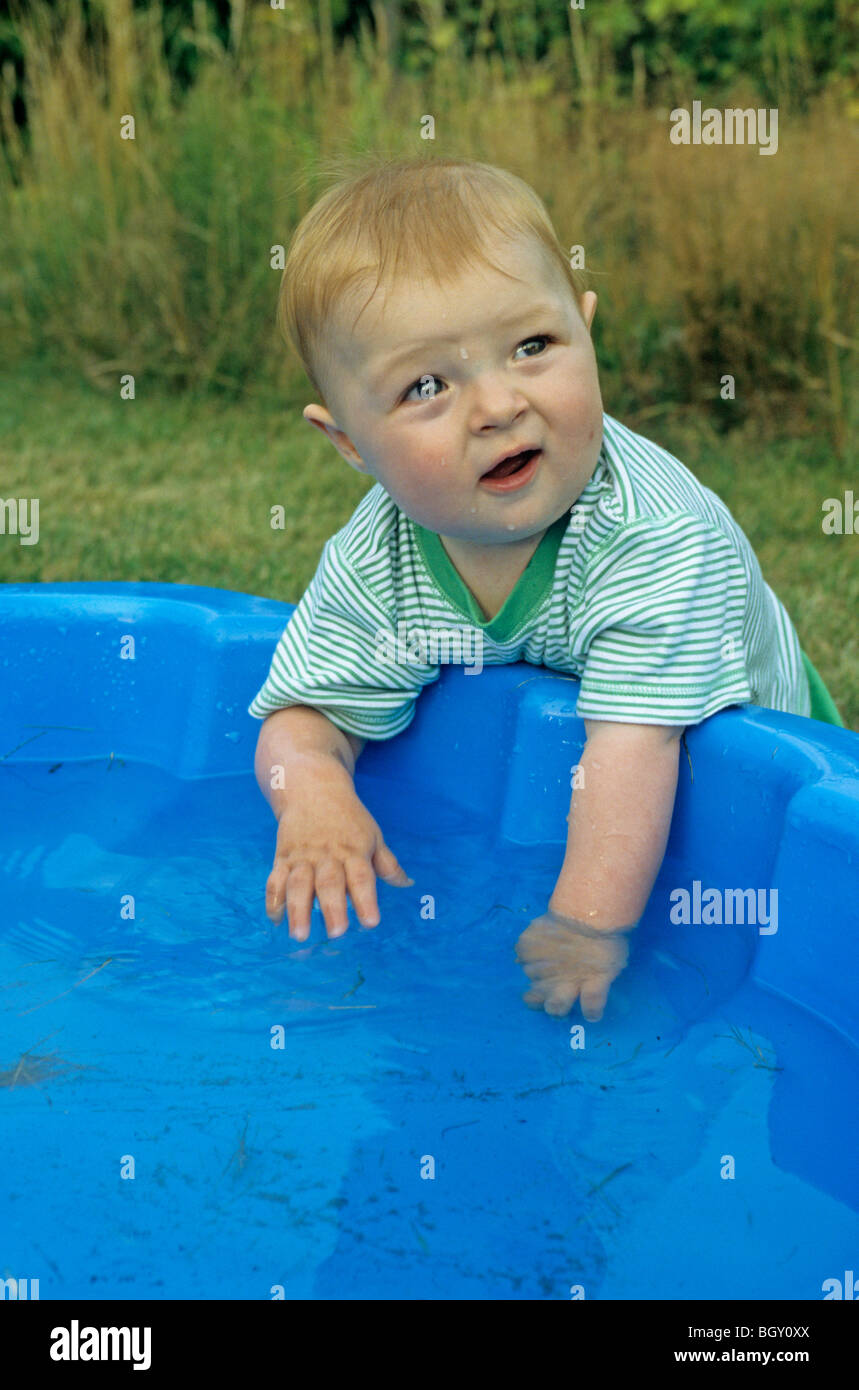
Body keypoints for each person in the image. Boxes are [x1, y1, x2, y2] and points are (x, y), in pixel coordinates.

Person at [248, 156, 844, 1022]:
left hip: (774, 794)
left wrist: (585, 929)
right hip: (609, 779)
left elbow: (633, 754)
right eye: (425, 386)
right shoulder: (379, 553)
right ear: (347, 443)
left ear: (587, 332)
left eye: (532, 347)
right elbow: (302, 714)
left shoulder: (651, 531)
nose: (496, 403)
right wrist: (314, 794)